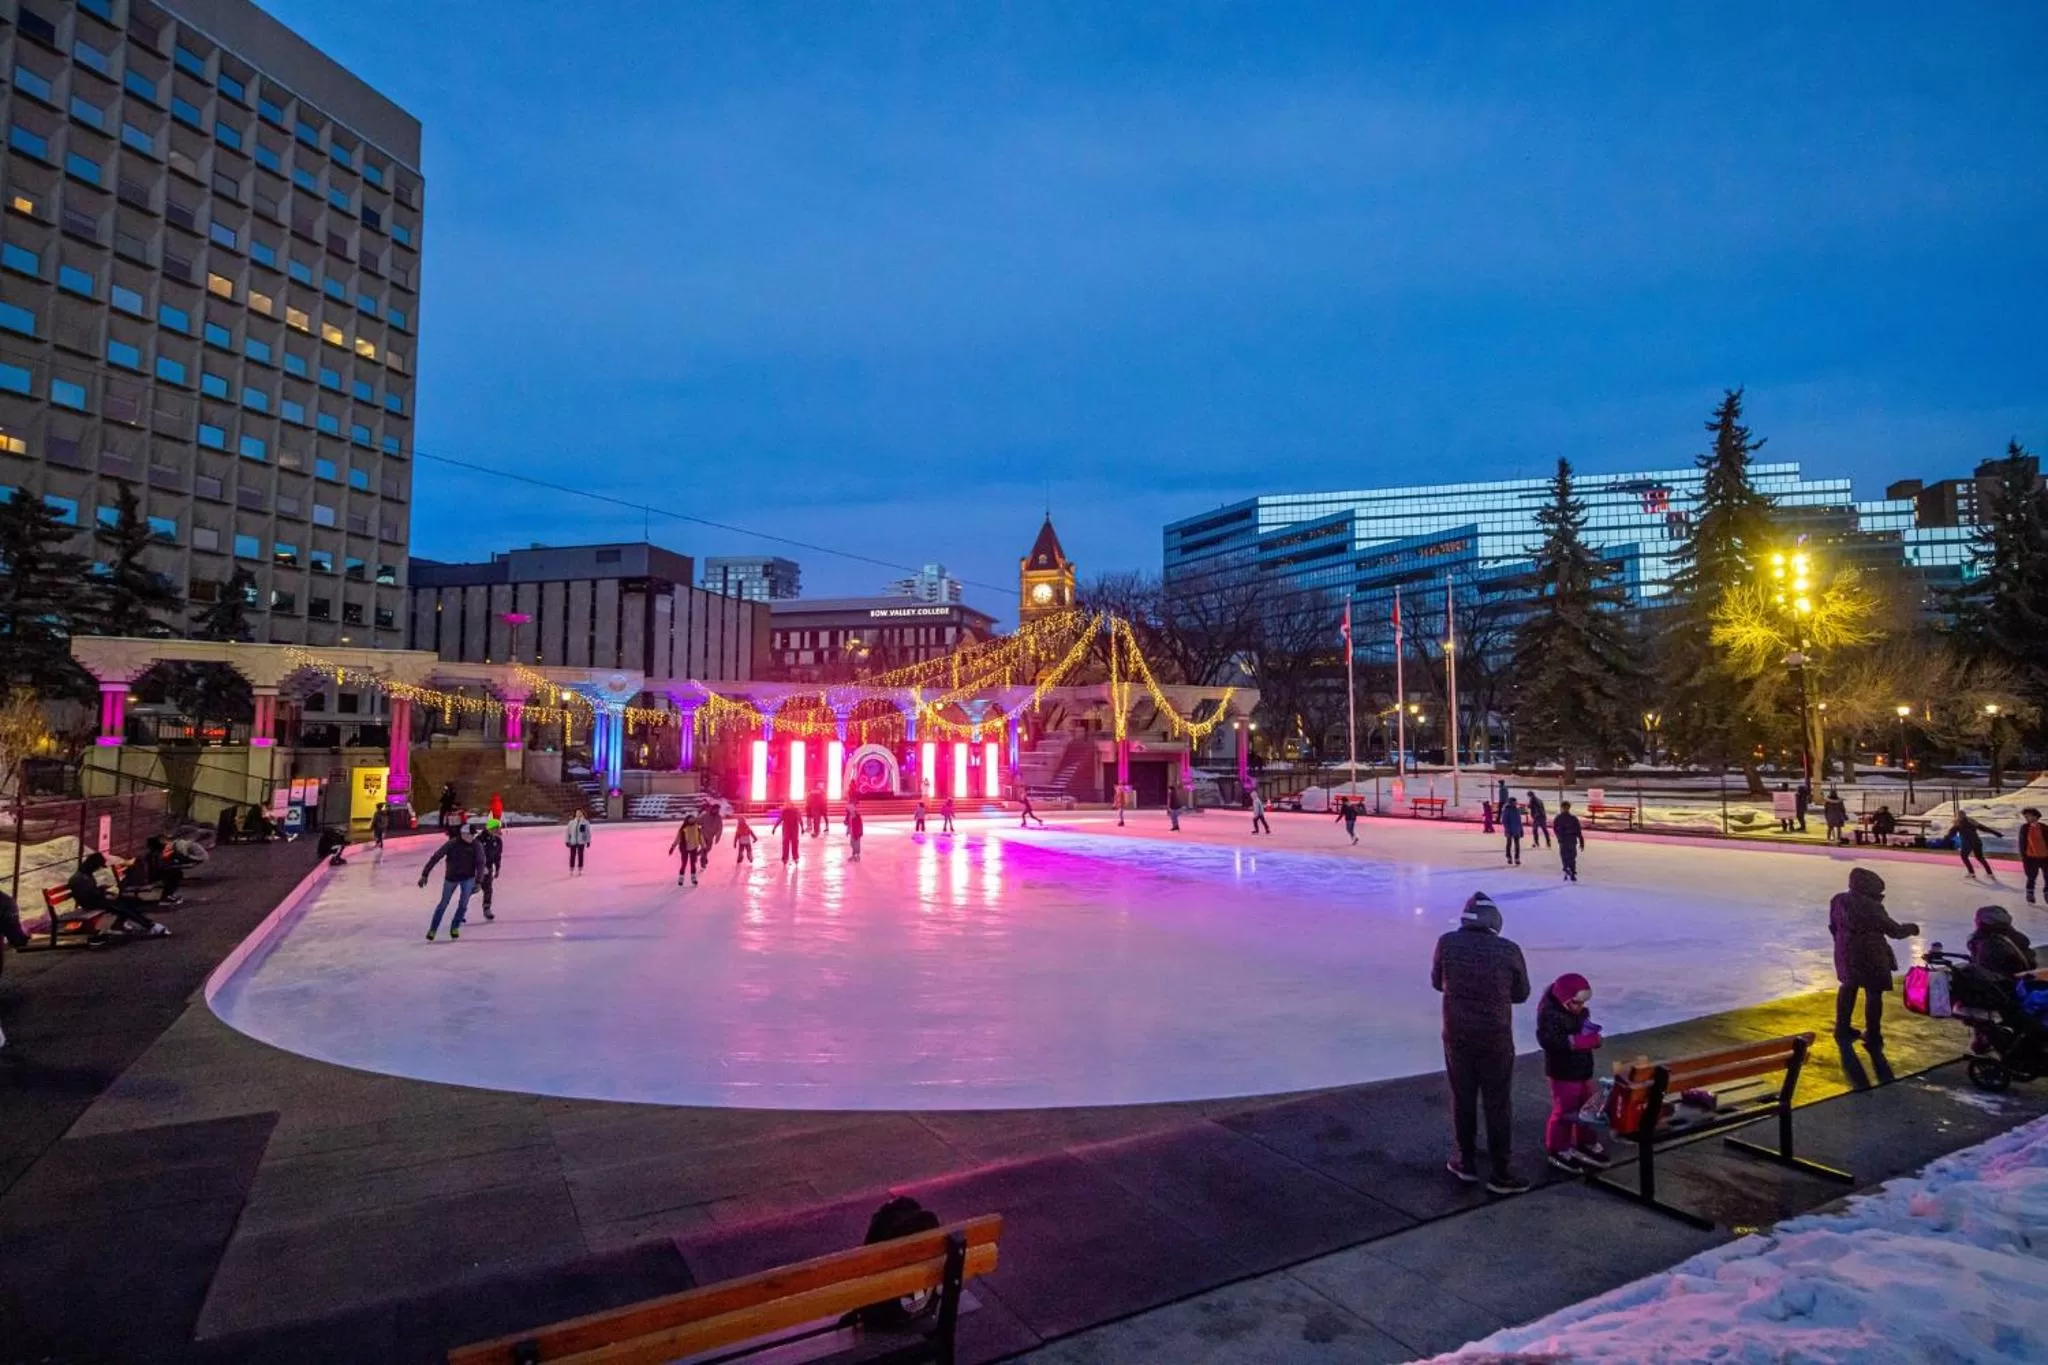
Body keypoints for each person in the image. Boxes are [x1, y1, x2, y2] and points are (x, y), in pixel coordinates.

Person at [1431, 892, 1531, 1195]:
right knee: (1497, 1101)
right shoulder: (1508, 950)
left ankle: (1466, 1161)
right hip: (1495, 1036)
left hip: (1457, 1034)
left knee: (1462, 1097)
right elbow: (1521, 993)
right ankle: (1501, 1170)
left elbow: (1438, 982)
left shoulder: (1447, 943)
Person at [1828, 867, 1919, 1048]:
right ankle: (1873, 1034)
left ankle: (1842, 1027)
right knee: (1873, 992)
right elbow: (1894, 931)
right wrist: (1911, 928)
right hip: (1871, 954)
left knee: (1848, 986)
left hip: (1845, 951)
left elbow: (1833, 926)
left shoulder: (1838, 900)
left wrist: (1843, 942)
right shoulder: (1871, 906)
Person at [1535, 972, 1609, 1173]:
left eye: (1583, 1003)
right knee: (1565, 1110)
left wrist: (1592, 1037)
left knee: (1589, 1106)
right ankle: (1558, 1147)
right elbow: (1548, 1040)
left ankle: (1586, 1141)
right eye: (1576, 1003)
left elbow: (1583, 1031)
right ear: (1565, 1000)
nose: (1581, 1007)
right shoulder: (1549, 1015)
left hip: (1583, 1068)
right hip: (1562, 1071)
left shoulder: (1581, 1013)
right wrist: (1576, 1042)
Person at [70, 853, 167, 937]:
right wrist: (104, 894)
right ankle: (149, 925)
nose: (97, 869)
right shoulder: (78, 878)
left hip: (98, 900)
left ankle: (120, 924)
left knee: (130, 901)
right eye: (97, 867)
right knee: (121, 906)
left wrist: (103, 891)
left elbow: (93, 892)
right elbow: (86, 896)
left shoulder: (86, 874)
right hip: (91, 904)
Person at [419, 825, 482, 941]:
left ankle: (455, 927)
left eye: (474, 835)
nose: (473, 837)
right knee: (443, 904)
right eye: (471, 835)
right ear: (463, 834)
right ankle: (433, 929)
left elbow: (480, 863)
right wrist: (425, 874)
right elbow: (436, 857)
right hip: (451, 878)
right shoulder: (452, 844)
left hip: (468, 878)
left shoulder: (476, 845)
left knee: (463, 904)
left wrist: (478, 882)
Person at [1950, 810, 2002, 881]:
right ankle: (1989, 873)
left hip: (1968, 844)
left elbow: (1951, 834)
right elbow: (1984, 828)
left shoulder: (1958, 823)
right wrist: (1996, 833)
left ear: (1959, 816)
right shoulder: (1971, 821)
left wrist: (1945, 838)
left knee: (1964, 856)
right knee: (1980, 857)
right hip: (1977, 842)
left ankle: (1971, 873)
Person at [475, 820, 503, 919]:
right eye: (498, 828)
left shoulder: (498, 841)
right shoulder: (479, 840)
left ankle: (487, 908)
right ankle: (461, 910)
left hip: (489, 868)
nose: (499, 830)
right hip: (478, 869)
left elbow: (497, 856)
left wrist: (497, 868)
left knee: (488, 889)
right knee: (472, 889)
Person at [669, 814, 705, 886]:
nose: (692, 820)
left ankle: (694, 879)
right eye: (691, 819)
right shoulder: (683, 829)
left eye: (693, 819)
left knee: (693, 864)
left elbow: (701, 837)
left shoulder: (697, 827)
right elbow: (677, 839)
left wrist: (704, 846)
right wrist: (672, 847)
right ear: (687, 820)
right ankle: (681, 879)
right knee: (684, 864)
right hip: (684, 848)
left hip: (694, 848)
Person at [1553, 800, 1586, 882]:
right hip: (1571, 840)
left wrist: (1559, 837)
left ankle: (1567, 869)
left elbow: (1555, 829)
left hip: (1564, 840)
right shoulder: (1573, 818)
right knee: (1571, 856)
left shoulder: (1558, 818)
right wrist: (1581, 841)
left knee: (1565, 856)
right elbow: (1578, 831)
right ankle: (1571, 870)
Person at [2021, 808, 2048, 905]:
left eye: (2028, 816)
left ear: (2035, 816)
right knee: (2031, 877)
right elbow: (2022, 843)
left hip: (2045, 857)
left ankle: (2046, 892)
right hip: (2031, 858)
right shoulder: (2024, 828)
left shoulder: (2044, 827)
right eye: (2025, 816)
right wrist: (2024, 858)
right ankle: (2030, 893)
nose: (2026, 818)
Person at [1500, 797, 1523, 866]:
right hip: (1509, 830)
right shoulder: (1507, 810)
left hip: (1516, 830)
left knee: (1517, 845)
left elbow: (1519, 821)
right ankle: (1509, 857)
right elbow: (1504, 821)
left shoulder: (1517, 810)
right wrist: (1507, 830)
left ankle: (1517, 858)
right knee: (1509, 844)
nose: (1515, 803)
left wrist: (1521, 830)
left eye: (1515, 802)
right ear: (1510, 803)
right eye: (1514, 802)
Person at [780, 800, 803, 864]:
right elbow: (780, 819)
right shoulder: (784, 811)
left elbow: (800, 819)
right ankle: (785, 858)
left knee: (794, 843)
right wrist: (774, 827)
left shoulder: (796, 811)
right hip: (787, 829)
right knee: (786, 843)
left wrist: (802, 827)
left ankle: (795, 857)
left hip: (793, 829)